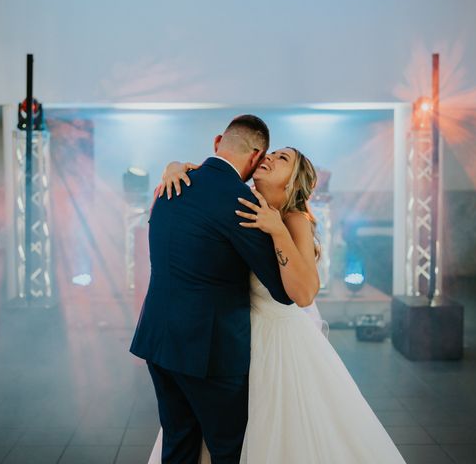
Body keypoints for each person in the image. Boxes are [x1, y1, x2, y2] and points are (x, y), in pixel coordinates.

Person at [146, 140, 406, 463]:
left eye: (281, 158)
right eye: (270, 154)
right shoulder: (242, 200)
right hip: (236, 337)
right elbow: (206, 180)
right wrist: (174, 166)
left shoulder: (294, 218)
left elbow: (305, 293)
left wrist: (276, 229)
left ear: (292, 180)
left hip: (280, 344)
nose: (269, 159)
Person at [130, 115, 293, 464]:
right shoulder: (241, 202)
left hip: (158, 340)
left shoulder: (173, 183)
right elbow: (282, 291)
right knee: (226, 450)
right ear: (256, 156)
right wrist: (279, 232)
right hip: (209, 353)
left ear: (218, 141)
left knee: (179, 443)